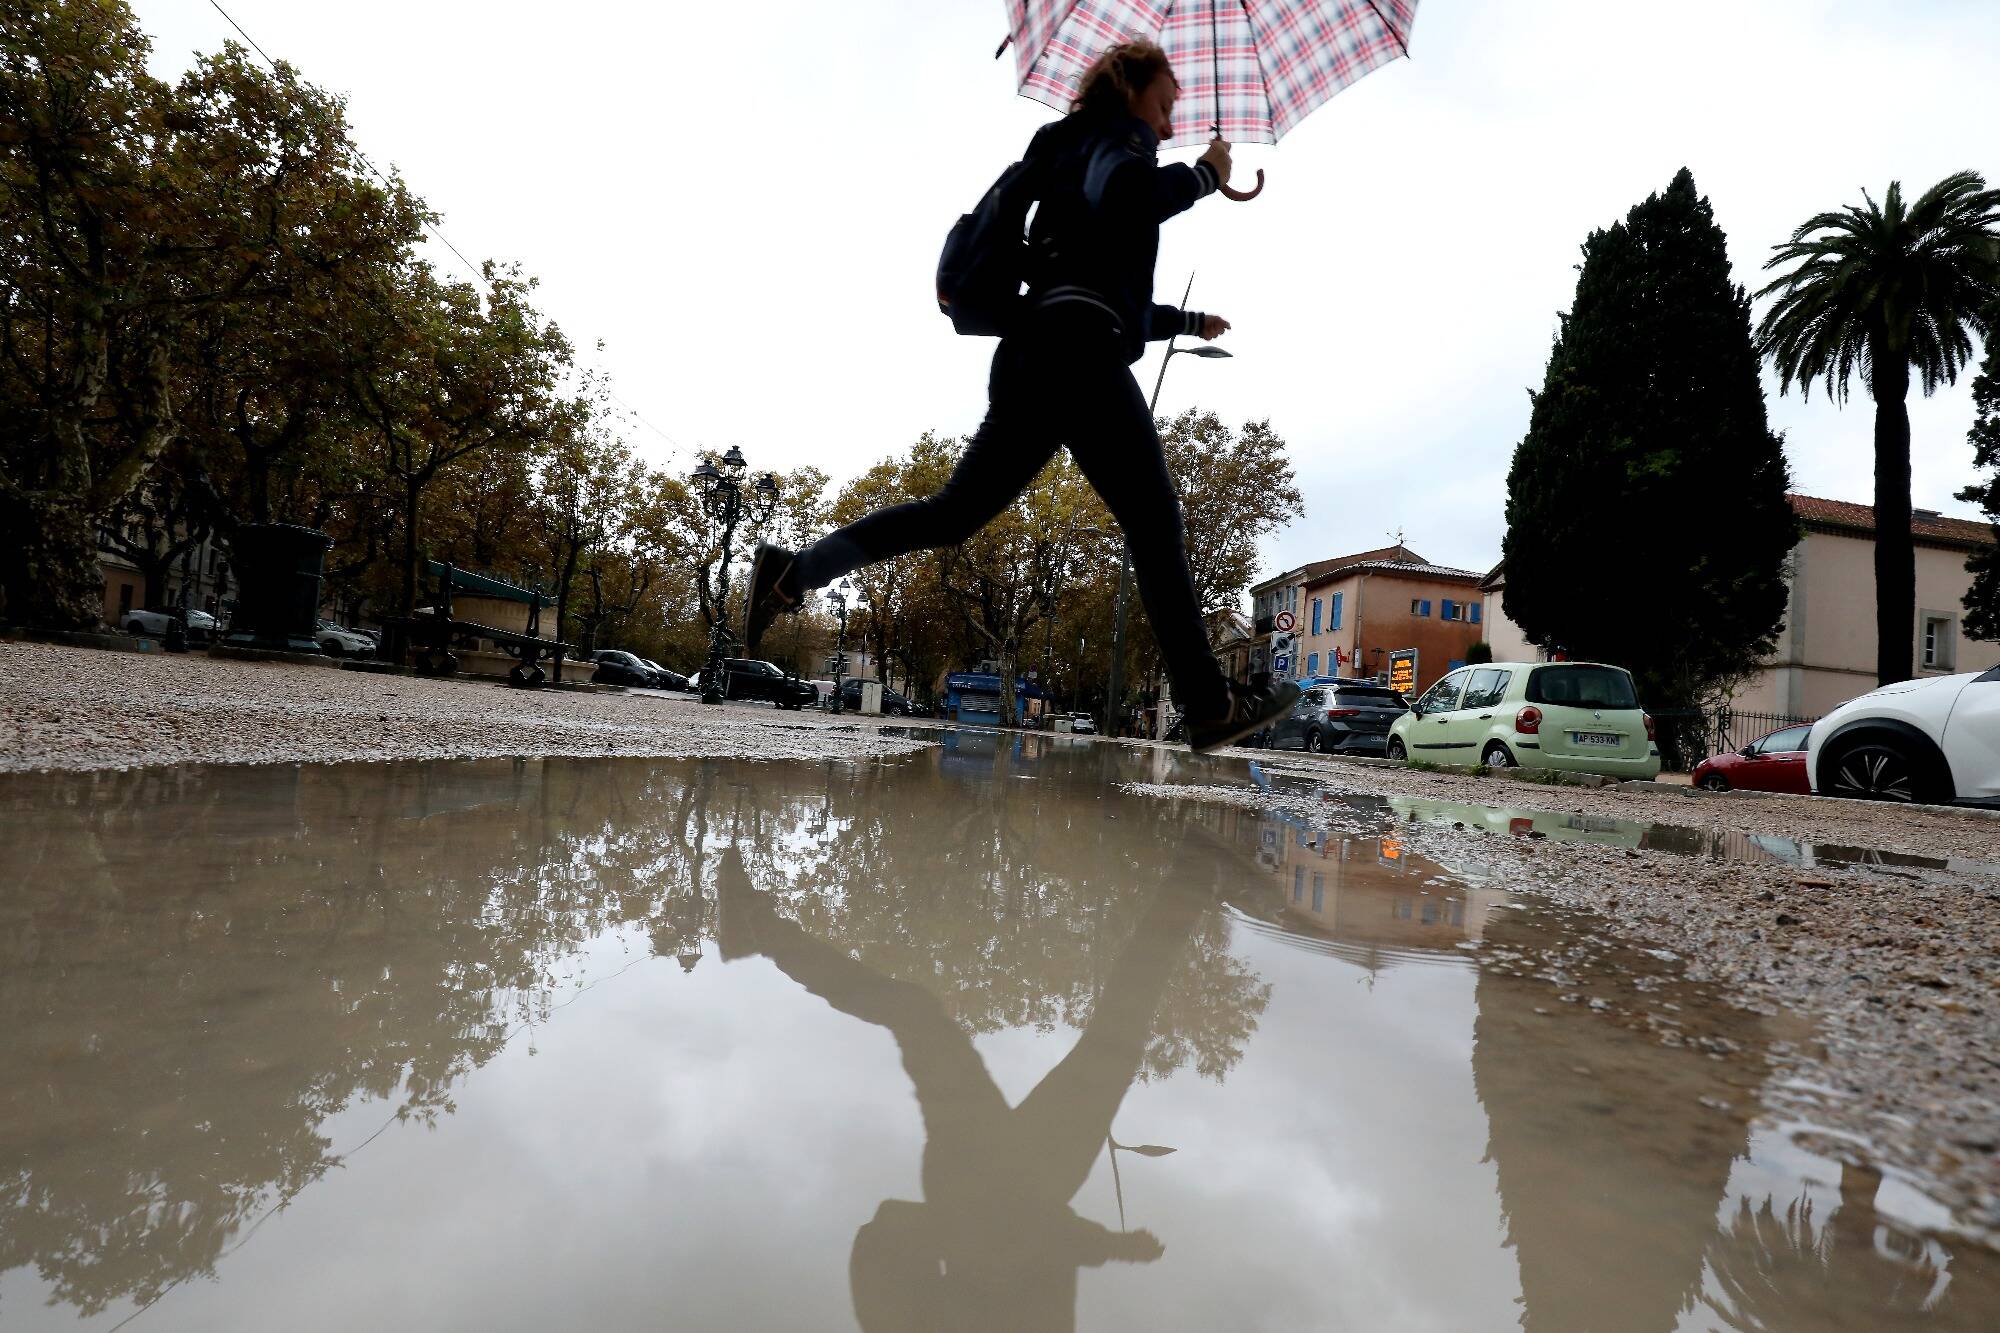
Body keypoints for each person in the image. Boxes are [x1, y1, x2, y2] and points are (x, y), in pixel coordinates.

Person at [742, 39, 1298, 752]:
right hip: (1080, 356)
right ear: (1129, 89)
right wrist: (1204, 174)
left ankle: (795, 571)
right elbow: (1126, 202)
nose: (1168, 123)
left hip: (1038, 351)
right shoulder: (1115, 143)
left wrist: (1189, 322)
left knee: (952, 514)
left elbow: (1104, 288)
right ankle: (1210, 702)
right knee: (1155, 520)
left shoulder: (1067, 147)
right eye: (1164, 105)